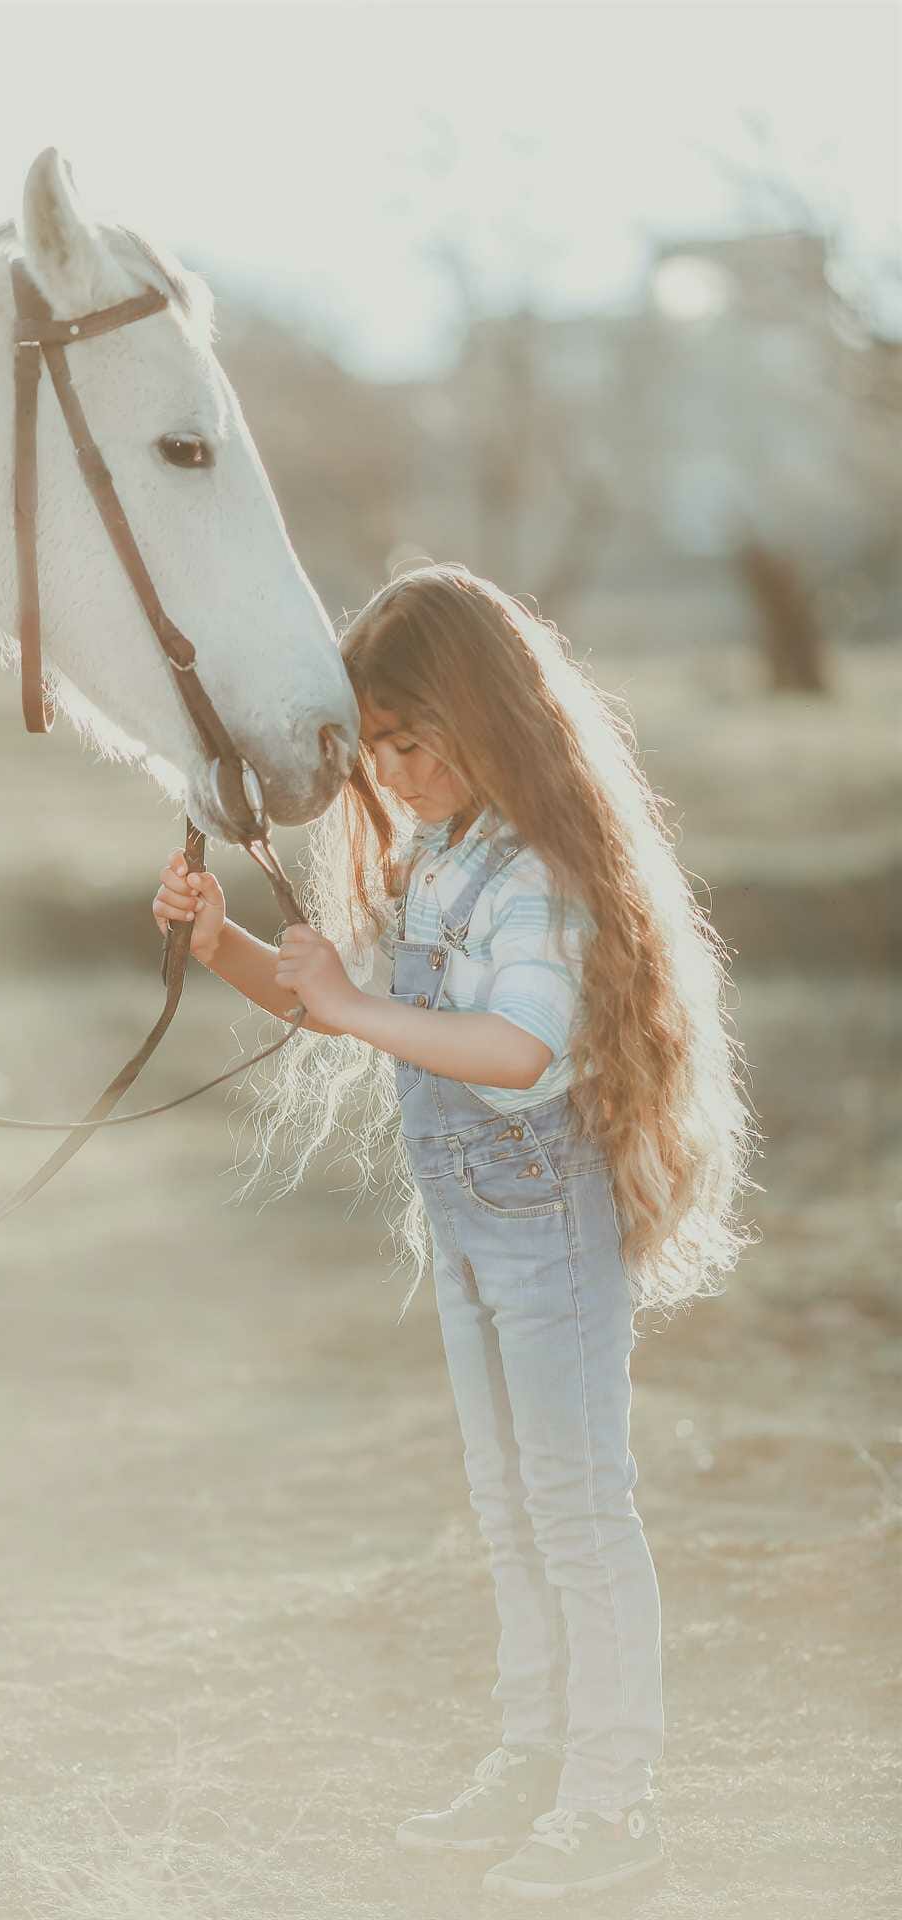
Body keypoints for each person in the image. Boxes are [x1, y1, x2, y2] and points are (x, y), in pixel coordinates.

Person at [152, 562, 760, 1901]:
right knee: (507, 1505)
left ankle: (613, 1798)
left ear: (486, 719)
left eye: (413, 743)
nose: (397, 772)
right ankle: (533, 1755)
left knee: (578, 1511)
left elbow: (517, 1045)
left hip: (547, 1233)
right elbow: (345, 1003)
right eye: (378, 750)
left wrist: (354, 1007)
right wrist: (235, 955)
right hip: (474, 1235)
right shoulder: (437, 857)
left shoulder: (536, 876)